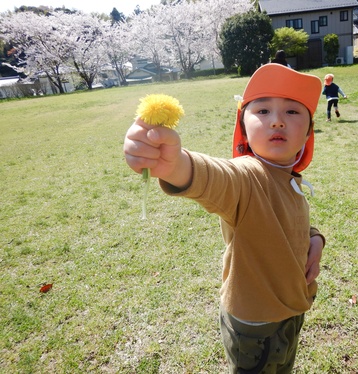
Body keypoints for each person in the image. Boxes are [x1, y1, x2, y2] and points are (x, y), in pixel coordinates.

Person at [122, 63, 327, 373]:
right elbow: (214, 177)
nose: (277, 122)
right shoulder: (247, 176)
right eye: (262, 111)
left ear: (309, 131)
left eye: (293, 112)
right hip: (256, 328)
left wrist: (314, 237)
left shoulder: (290, 177)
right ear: (243, 127)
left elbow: (288, 219)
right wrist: (174, 164)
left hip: (291, 311)